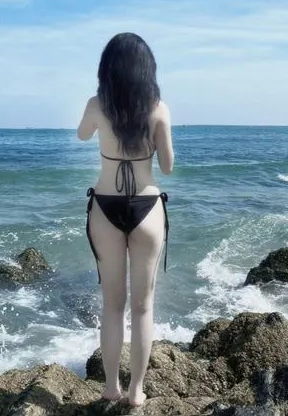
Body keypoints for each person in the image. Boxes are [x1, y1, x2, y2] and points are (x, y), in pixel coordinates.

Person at [77, 32, 174, 407]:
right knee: (143, 306)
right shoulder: (158, 109)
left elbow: (82, 135)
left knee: (113, 305)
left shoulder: (97, 105)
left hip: (105, 207)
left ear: (108, 69)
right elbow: (167, 166)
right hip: (147, 208)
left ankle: (110, 387)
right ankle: (136, 391)